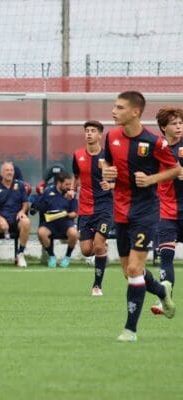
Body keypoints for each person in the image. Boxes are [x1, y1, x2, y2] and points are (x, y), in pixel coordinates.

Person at [102, 91, 178, 342]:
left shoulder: (155, 142)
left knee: (135, 268)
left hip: (146, 211)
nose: (114, 111)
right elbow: (106, 163)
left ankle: (130, 330)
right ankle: (162, 291)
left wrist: (151, 179)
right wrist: (108, 173)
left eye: (119, 107)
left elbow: (175, 169)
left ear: (135, 112)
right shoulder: (111, 136)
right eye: (114, 106)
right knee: (129, 272)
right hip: (120, 210)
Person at [72, 120, 114, 296]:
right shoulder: (78, 155)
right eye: (87, 130)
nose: (89, 133)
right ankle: (102, 250)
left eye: (93, 131)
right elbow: (76, 176)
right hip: (85, 209)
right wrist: (72, 190)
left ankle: (97, 285)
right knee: (86, 250)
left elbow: (120, 180)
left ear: (100, 135)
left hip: (105, 207)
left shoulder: (108, 157)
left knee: (98, 245)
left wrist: (110, 185)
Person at [152, 107, 183, 315]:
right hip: (167, 212)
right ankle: (164, 301)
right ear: (164, 127)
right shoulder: (156, 150)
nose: (179, 127)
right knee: (166, 257)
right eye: (174, 123)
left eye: (180, 123)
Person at [0, 161, 31, 268]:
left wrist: (22, 211)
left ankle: (20, 254)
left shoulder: (20, 185)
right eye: (7, 170)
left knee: (26, 222)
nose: (9, 172)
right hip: (1, 222)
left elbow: (25, 204)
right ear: (1, 173)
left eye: (11, 170)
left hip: (16, 220)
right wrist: (1, 220)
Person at [34, 171, 78, 268]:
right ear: (59, 183)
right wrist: (40, 196)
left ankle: (67, 257)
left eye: (70, 184)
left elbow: (75, 213)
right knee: (41, 233)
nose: (69, 187)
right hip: (50, 223)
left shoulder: (71, 194)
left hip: (65, 222)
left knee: (74, 233)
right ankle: (51, 256)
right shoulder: (48, 192)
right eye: (66, 184)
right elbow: (39, 208)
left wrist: (66, 214)